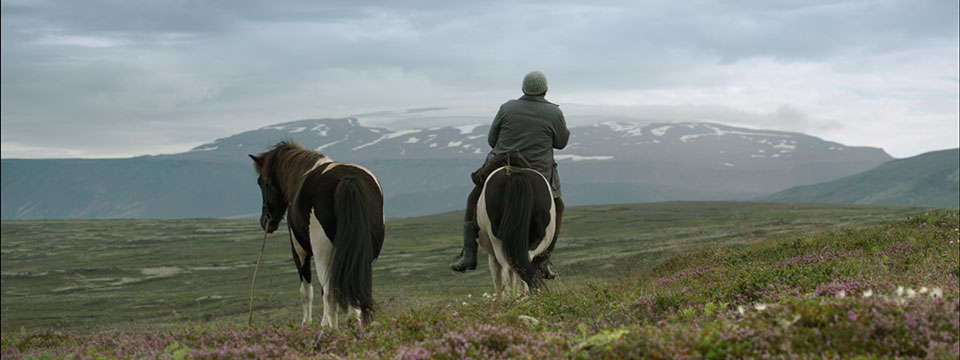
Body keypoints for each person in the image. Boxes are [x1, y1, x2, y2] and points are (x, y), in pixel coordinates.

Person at [450, 71, 570, 279]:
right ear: (544, 90)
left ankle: (469, 255)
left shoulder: (506, 108)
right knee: (558, 207)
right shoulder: (554, 113)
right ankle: (544, 260)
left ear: (523, 89)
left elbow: (491, 140)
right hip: (539, 169)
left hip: (501, 163)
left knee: (473, 199)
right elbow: (561, 143)